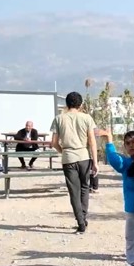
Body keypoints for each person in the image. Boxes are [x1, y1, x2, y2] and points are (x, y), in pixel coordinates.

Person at [99, 129, 134, 266]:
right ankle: (133, 263)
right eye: (128, 143)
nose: (132, 146)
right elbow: (113, 159)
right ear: (124, 146)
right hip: (132, 208)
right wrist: (109, 141)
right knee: (132, 236)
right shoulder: (125, 163)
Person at [51, 92, 97, 234]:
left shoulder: (59, 118)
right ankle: (83, 216)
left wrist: (63, 151)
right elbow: (92, 141)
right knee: (85, 188)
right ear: (80, 104)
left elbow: (53, 142)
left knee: (74, 192)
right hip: (84, 155)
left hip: (68, 157)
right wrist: (95, 161)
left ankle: (80, 222)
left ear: (66, 104)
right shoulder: (86, 118)